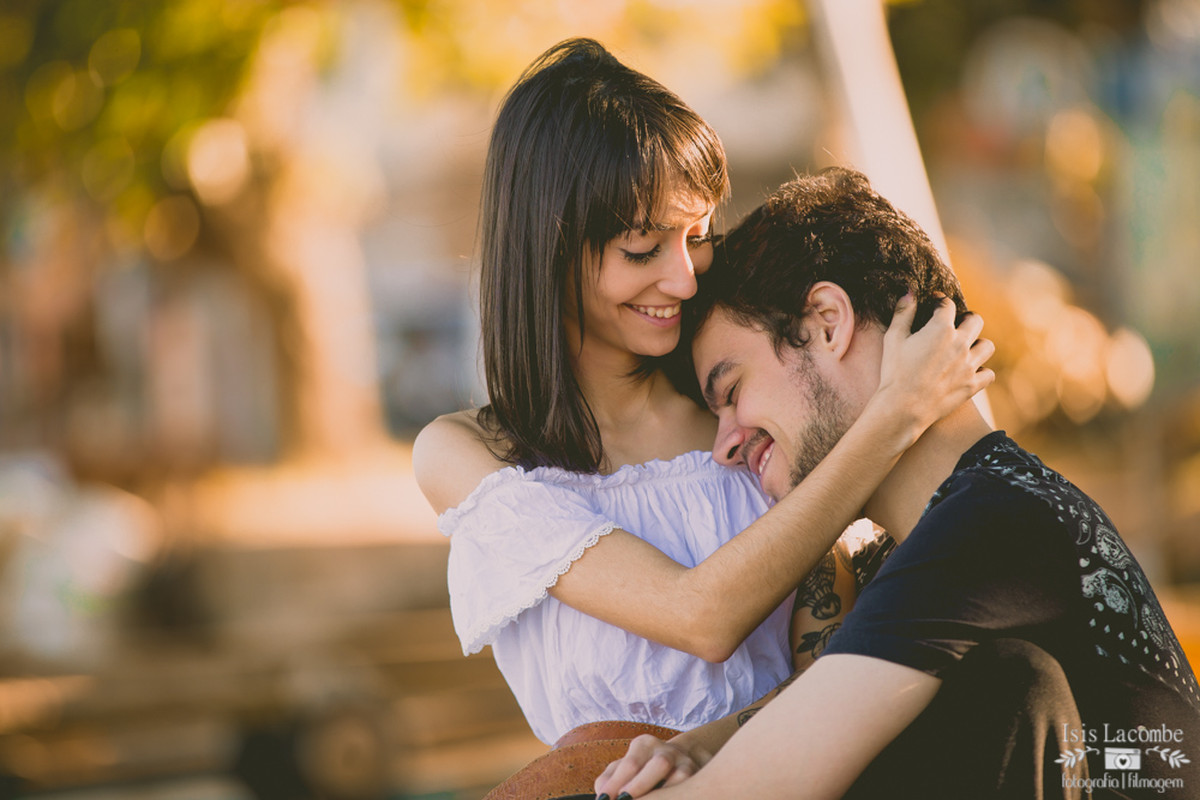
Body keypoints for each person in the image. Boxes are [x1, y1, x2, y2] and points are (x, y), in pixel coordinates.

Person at [412, 38, 994, 753]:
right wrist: (891, 418)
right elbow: (700, 618)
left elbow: (829, 669)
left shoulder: (745, 413)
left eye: (698, 235)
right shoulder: (468, 455)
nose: (686, 279)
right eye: (642, 249)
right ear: (550, 247)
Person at [594, 167, 1200, 800]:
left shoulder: (994, 519)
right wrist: (694, 745)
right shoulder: (943, 534)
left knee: (1007, 688)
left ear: (828, 322)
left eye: (732, 391)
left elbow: (750, 789)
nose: (723, 445)